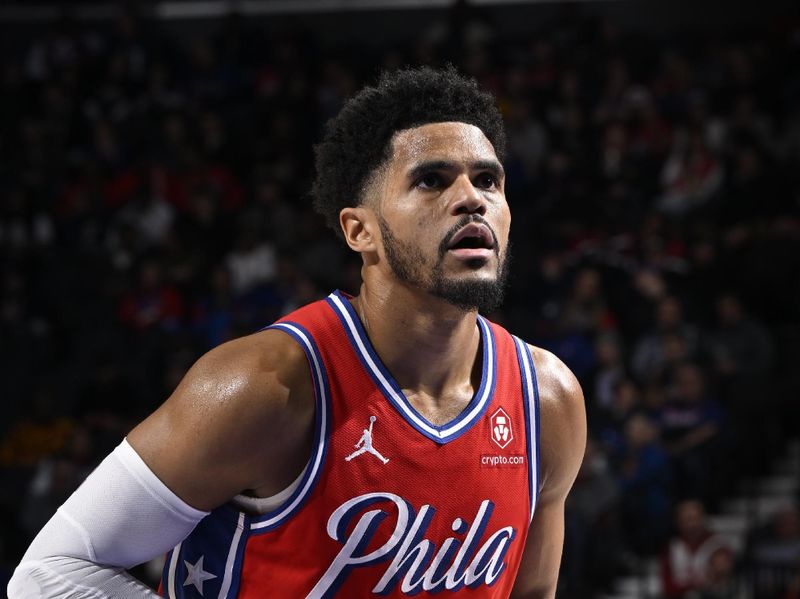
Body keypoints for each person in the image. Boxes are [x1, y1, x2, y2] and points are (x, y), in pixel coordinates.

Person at [8, 67, 586, 598]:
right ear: (361, 232)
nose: (471, 200)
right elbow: (48, 573)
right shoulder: (265, 387)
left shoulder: (547, 401)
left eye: (488, 180)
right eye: (432, 181)